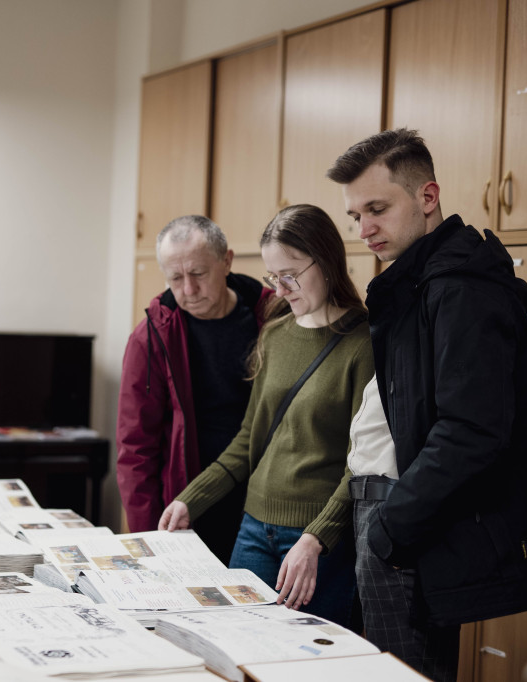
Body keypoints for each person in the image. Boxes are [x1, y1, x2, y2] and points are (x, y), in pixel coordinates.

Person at [327, 128, 527, 680]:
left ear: (427, 197)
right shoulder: (414, 281)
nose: (364, 229)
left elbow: (472, 430)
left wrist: (391, 529)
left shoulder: (459, 287)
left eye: (377, 208)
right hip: (400, 515)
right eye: (355, 216)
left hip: (413, 522)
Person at [158, 205, 373, 628]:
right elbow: (248, 439)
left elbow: (362, 464)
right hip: (254, 529)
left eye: (290, 275)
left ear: (327, 261)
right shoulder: (276, 333)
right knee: (237, 645)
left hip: (315, 543)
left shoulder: (363, 344)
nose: (281, 289)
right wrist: (190, 499)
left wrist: (317, 538)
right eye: (274, 278)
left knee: (305, 663)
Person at [116, 215, 274, 564]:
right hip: (188, 504)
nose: (188, 289)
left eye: (199, 274)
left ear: (227, 261)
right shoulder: (150, 338)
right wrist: (147, 538)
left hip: (264, 505)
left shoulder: (273, 318)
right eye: (175, 278)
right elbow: (135, 448)